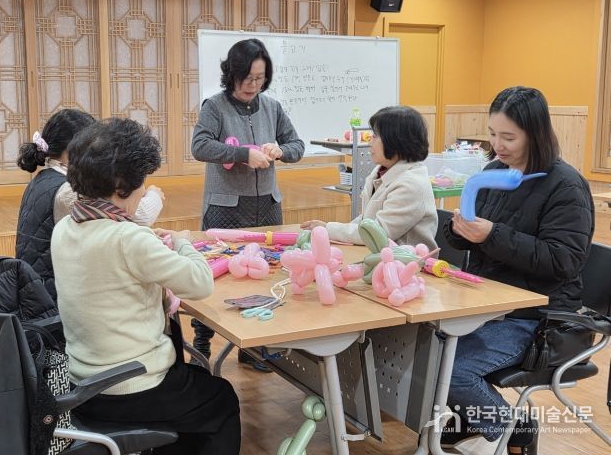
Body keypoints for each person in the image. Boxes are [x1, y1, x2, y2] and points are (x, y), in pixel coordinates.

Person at [52, 118, 240, 455]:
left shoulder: (65, 227)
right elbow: (200, 282)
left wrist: (146, 240)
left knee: (193, 395)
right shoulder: (129, 239)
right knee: (220, 398)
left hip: (82, 384)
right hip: (131, 388)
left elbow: (110, 261)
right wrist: (182, 242)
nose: (144, 191)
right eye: (142, 182)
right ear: (122, 185)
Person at [441, 86, 594, 454]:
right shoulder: (495, 171)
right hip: (488, 303)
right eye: (492, 134)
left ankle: (516, 429)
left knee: (450, 369)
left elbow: (563, 260)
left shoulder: (565, 186)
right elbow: (477, 234)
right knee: (424, 352)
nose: (497, 145)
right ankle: (470, 416)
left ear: (535, 133)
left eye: (508, 137)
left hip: (537, 318)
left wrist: (492, 235)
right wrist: (458, 231)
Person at [191, 38, 305, 370]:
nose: (253, 85)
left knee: (266, 274)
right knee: (215, 277)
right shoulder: (215, 107)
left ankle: (254, 348)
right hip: (226, 208)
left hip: (267, 205)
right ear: (232, 74)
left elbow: (296, 145)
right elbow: (200, 146)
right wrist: (243, 154)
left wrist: (280, 151)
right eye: (248, 78)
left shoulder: (272, 107)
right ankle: (201, 346)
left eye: (260, 79)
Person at [16, 108, 165, 299]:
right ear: (74, 149)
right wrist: (154, 194)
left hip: (36, 287)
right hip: (51, 298)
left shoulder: (42, 179)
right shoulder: (67, 191)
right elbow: (139, 215)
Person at [301, 106, 437, 249]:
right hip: (379, 254)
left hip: (408, 261)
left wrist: (328, 229)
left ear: (396, 140)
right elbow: (366, 220)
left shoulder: (411, 184)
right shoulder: (380, 171)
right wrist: (330, 229)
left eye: (375, 136)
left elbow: (376, 233)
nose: (369, 142)